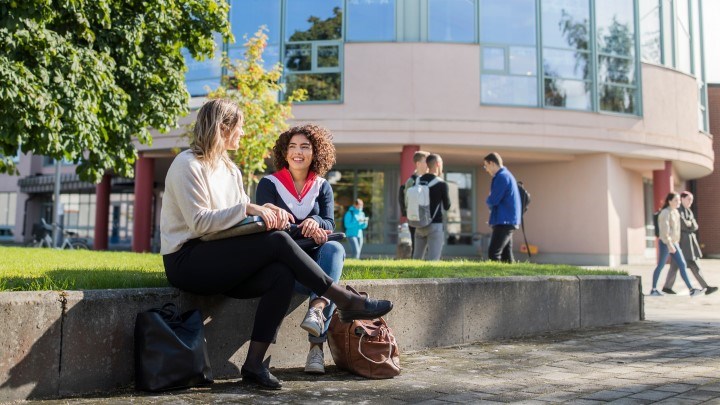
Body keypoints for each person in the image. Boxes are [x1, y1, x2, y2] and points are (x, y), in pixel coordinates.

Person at [160, 99, 393, 390]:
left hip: (223, 259)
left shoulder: (230, 170)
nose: (243, 133)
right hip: (188, 261)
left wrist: (267, 217)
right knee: (278, 242)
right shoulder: (187, 165)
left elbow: (233, 224)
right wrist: (250, 209)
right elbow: (201, 224)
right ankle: (343, 300)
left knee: (280, 274)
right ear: (223, 127)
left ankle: (255, 364)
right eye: (239, 128)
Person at [255, 124, 345, 375]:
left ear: (315, 153)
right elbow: (266, 224)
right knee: (327, 282)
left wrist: (315, 222)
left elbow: (329, 222)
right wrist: (302, 227)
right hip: (284, 266)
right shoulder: (269, 184)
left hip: (315, 260)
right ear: (284, 153)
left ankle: (316, 324)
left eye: (305, 146)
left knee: (335, 250)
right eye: (292, 146)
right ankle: (318, 345)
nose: (298, 152)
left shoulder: (322, 186)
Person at [661, 191, 718, 295]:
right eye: (689, 199)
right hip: (682, 243)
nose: (690, 201)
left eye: (691, 199)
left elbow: (695, 226)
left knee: (675, 265)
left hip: (688, 243)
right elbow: (683, 225)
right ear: (682, 199)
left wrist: (690, 224)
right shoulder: (678, 210)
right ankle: (705, 287)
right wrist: (689, 224)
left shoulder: (688, 211)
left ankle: (667, 287)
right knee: (692, 264)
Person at [649, 192, 703, 297]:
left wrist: (675, 243)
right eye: (676, 200)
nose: (678, 202)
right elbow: (664, 232)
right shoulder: (665, 213)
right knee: (660, 266)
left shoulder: (675, 212)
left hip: (674, 243)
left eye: (679, 200)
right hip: (666, 243)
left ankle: (691, 290)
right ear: (669, 201)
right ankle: (654, 289)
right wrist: (669, 245)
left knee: (682, 264)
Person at [483, 152, 521, 263]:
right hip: (508, 220)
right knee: (506, 256)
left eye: (486, 166)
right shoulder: (506, 175)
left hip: (503, 220)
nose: (486, 169)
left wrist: (488, 200)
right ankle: (512, 279)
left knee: (494, 253)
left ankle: (495, 279)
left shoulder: (501, 176)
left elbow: (493, 199)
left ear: (492, 163)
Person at [412, 153, 450, 261]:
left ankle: (412, 278)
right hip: (435, 225)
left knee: (416, 259)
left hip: (419, 224)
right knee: (433, 260)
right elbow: (447, 206)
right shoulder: (441, 184)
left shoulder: (417, 181)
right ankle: (432, 279)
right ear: (438, 164)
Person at [399, 150, 430, 256]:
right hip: (415, 218)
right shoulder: (410, 181)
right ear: (418, 164)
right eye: (426, 161)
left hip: (428, 218)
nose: (429, 164)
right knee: (417, 246)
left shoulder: (431, 179)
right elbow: (408, 201)